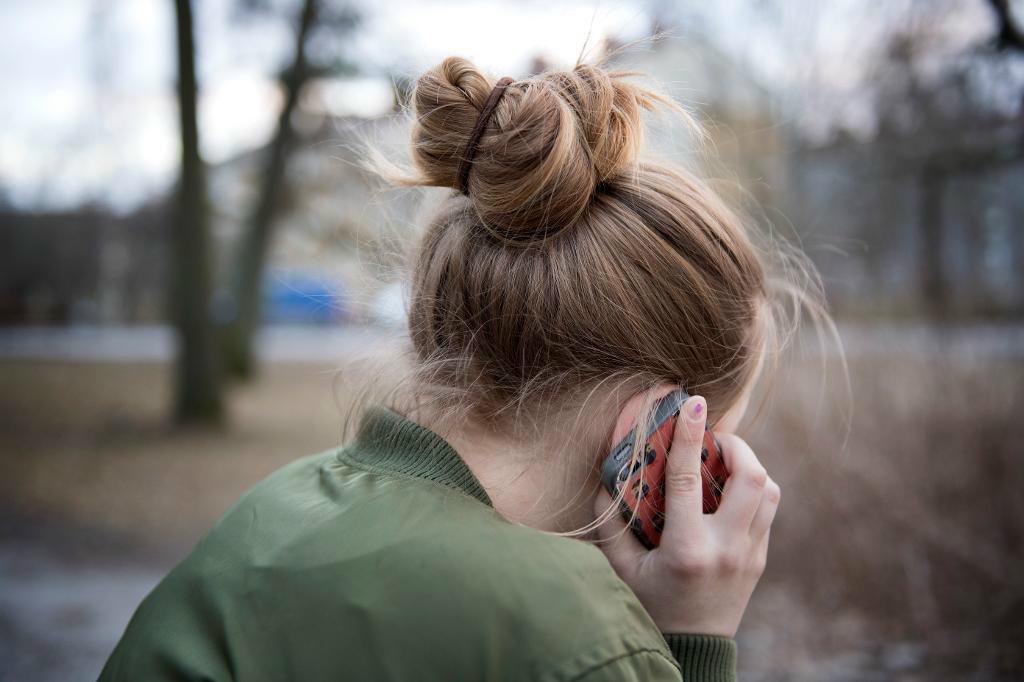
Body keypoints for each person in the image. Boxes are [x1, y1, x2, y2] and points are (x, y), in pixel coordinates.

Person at [100, 53, 832, 681]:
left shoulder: (271, 511)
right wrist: (689, 645)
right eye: (715, 461)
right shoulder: (580, 639)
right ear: (660, 438)